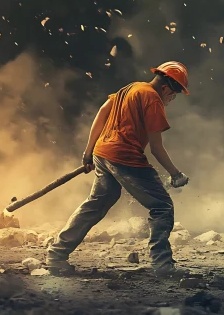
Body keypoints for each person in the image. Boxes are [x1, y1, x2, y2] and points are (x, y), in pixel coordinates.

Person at [47, 61, 191, 277]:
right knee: (162, 206)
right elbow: (156, 148)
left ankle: (56, 256)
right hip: (125, 157)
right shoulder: (153, 100)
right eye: (174, 95)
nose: (172, 100)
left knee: (97, 203)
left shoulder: (131, 88)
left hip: (102, 152)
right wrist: (175, 174)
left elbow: (102, 112)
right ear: (166, 88)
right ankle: (163, 266)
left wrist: (88, 151)